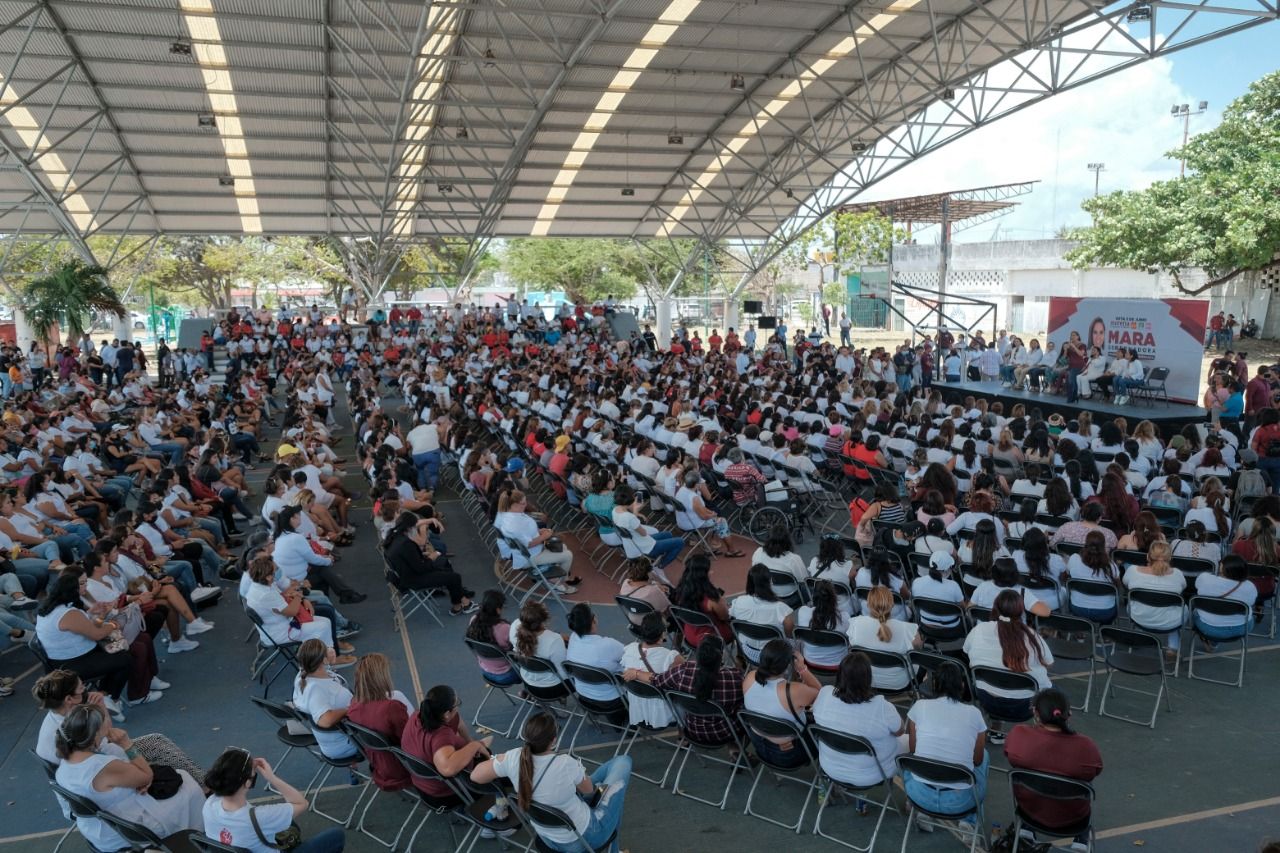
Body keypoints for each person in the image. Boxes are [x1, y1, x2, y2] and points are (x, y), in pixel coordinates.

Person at [471, 711, 632, 853]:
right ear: (554, 740)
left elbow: (475, 776)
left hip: (547, 838)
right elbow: (589, 790)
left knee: (599, 785)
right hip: (584, 839)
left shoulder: (513, 757)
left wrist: (500, 760)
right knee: (622, 763)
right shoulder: (566, 763)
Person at [53, 703, 204, 852]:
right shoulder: (101, 766)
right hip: (128, 831)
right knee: (189, 786)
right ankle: (198, 840)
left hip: (98, 829)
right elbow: (146, 776)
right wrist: (126, 744)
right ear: (95, 734)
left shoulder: (64, 765)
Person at [1003, 689, 1103, 852]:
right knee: (1086, 781)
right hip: (1074, 820)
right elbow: (1095, 771)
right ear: (1068, 714)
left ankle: (1026, 828)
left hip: (1029, 812)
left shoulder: (1018, 735)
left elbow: (1009, 755)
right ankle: (1081, 839)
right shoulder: (1086, 746)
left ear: (1035, 713)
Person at [203, 747, 347, 853]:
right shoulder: (260, 816)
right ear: (247, 783)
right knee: (336, 836)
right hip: (258, 829)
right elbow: (302, 803)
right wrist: (271, 777)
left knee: (290, 823)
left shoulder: (209, 804)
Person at [34, 571, 133, 717]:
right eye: (82, 584)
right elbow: (97, 634)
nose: (86, 586)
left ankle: (105, 694)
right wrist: (114, 624)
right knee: (125, 659)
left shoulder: (50, 608)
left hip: (61, 660)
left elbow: (87, 627)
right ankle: (107, 696)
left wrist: (98, 615)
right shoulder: (68, 613)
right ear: (73, 591)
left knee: (114, 655)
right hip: (73, 664)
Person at [903, 665, 989, 828]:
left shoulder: (919, 706)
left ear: (934, 684)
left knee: (908, 760)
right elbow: (977, 761)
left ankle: (922, 812)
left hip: (919, 795)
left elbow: (913, 749)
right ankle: (969, 822)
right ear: (962, 686)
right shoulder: (974, 713)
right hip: (960, 801)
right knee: (984, 756)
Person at [812, 651, 908, 794]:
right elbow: (900, 731)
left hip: (830, 767)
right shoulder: (882, 707)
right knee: (912, 740)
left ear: (840, 674)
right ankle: (916, 796)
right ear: (868, 678)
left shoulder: (825, 694)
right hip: (871, 775)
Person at [963, 591, 1053, 731]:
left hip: (986, 700)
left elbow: (966, 652)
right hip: (1024, 708)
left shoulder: (979, 629)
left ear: (994, 608)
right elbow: (1048, 663)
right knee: (1056, 694)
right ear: (1021, 611)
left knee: (997, 681)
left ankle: (996, 726)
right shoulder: (1032, 636)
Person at [399, 684, 493, 808]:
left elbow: (456, 719)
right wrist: (474, 745)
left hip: (421, 785)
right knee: (489, 760)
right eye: (457, 704)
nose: (458, 707)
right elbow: (447, 768)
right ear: (447, 714)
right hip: (445, 795)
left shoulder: (417, 715)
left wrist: (469, 741)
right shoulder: (441, 735)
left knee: (480, 749)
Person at [741, 639, 821, 768]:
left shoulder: (750, 677)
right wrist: (802, 669)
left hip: (759, 747)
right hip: (791, 755)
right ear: (788, 665)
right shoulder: (793, 691)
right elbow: (820, 694)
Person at [346, 653, 416, 790]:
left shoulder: (353, 705)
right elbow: (409, 741)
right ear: (381, 677)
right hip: (402, 766)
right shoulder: (392, 707)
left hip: (379, 764)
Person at [383, 512, 475, 615]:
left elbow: (409, 560)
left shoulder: (393, 539)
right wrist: (431, 557)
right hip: (414, 580)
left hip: (405, 576)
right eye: (415, 526)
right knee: (454, 577)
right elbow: (421, 568)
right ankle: (458, 607)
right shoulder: (406, 543)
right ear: (409, 528)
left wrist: (422, 556)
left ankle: (463, 599)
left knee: (445, 569)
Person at [292, 639, 359, 760]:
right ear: (323, 659)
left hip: (339, 737)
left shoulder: (303, 674)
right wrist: (348, 709)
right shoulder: (315, 689)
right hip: (346, 742)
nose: (330, 649)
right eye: (326, 648)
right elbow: (325, 721)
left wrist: (328, 660)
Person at [847, 586, 921, 692]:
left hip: (864, 679)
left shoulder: (855, 624)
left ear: (868, 605)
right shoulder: (908, 629)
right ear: (892, 605)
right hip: (898, 683)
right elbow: (917, 650)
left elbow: (851, 650)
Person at [618, 612, 681, 728]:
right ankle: (682, 734)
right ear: (662, 634)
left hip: (639, 712)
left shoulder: (629, 649)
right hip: (663, 714)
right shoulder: (671, 657)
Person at [611, 484, 685, 580]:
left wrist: (634, 511)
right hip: (645, 548)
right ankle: (659, 566)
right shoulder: (629, 517)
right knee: (680, 542)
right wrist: (635, 511)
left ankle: (658, 557)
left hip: (634, 545)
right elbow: (644, 533)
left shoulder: (615, 510)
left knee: (668, 534)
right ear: (629, 498)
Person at [727, 564, 794, 664]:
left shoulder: (739, 602)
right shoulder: (781, 608)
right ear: (770, 582)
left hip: (749, 652)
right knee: (798, 642)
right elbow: (790, 634)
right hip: (774, 656)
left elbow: (729, 616)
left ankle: (740, 659)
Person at [465, 589, 519, 685]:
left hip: (485, 671)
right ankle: (528, 691)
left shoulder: (474, 620)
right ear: (498, 609)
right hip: (507, 675)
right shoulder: (504, 628)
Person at [509, 600, 568, 688]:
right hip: (551, 687)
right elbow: (564, 674)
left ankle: (526, 692)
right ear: (544, 620)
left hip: (528, 682)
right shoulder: (554, 640)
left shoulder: (514, 625)